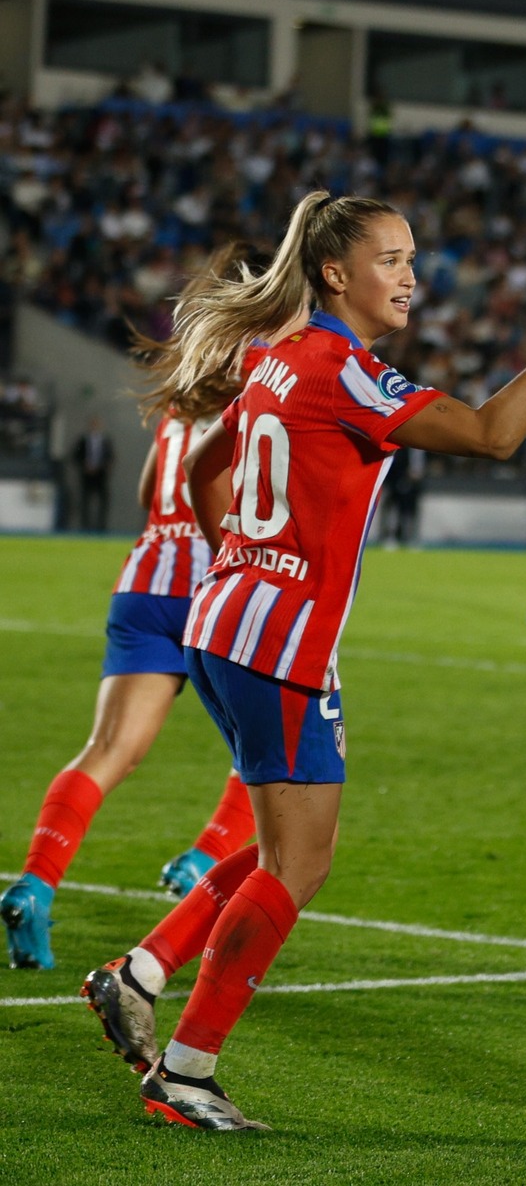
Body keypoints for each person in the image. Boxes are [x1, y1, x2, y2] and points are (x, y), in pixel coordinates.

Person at [80, 189, 526, 1132]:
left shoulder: (275, 360)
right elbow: (495, 434)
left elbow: (204, 463)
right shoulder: (341, 369)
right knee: (301, 863)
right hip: (276, 641)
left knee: (277, 846)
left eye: (413, 258)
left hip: (223, 624)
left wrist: (241, 565)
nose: (412, 275)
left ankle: (138, 975)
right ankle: (184, 1068)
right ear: (336, 273)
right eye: (392, 259)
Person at [0, 245, 301, 969]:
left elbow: (147, 492)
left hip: (144, 580)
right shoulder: (271, 374)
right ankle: (203, 863)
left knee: (107, 751)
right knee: (272, 751)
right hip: (215, 582)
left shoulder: (188, 380)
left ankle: (34, 886)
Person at [72, 414, 114, 531]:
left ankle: (101, 527)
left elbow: (110, 457)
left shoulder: (106, 441)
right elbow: (76, 456)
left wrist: (104, 466)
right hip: (87, 476)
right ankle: (85, 527)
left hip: (101, 475)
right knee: (85, 501)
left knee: (103, 501)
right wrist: (85, 465)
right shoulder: (83, 440)